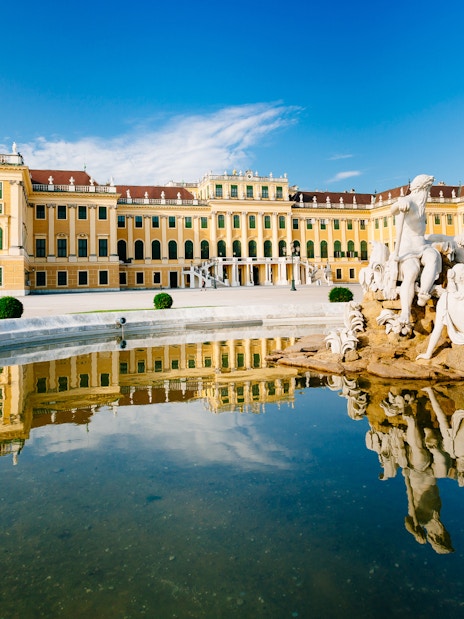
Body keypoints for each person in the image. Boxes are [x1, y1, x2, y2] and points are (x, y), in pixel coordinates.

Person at [387, 174, 441, 326]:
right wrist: (400, 203)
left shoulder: (422, 205)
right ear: (422, 189)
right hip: (407, 248)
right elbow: (393, 209)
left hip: (422, 245)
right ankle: (406, 311)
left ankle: (424, 292)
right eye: (428, 189)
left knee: (433, 258)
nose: (429, 193)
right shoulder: (409, 201)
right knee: (411, 273)